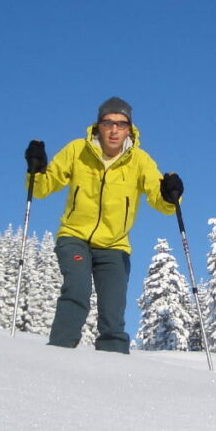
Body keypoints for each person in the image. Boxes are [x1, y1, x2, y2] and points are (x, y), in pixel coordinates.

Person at [24, 97, 183, 353]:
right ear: (98, 126)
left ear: (129, 129)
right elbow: (42, 188)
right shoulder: (78, 150)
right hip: (74, 236)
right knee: (77, 291)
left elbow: (161, 199)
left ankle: (113, 368)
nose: (114, 130)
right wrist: (36, 170)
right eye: (108, 122)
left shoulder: (140, 161)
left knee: (113, 311)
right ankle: (58, 355)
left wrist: (170, 193)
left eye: (121, 124)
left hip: (114, 245)